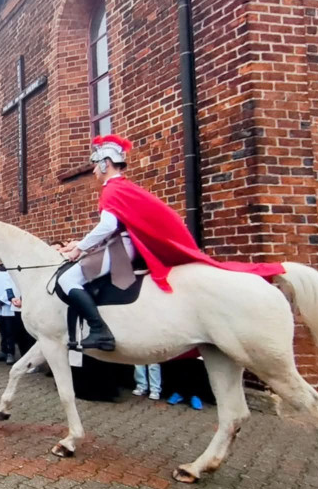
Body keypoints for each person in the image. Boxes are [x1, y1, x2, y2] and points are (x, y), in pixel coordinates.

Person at [56, 134, 284, 351]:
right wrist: (80, 242)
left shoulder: (112, 190)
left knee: (68, 278)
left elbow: (107, 227)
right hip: (121, 244)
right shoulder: (124, 188)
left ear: (106, 163)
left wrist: (79, 248)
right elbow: (114, 228)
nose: (94, 170)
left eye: (96, 164)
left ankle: (99, 330)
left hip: (121, 249)